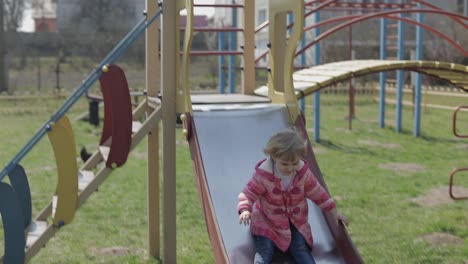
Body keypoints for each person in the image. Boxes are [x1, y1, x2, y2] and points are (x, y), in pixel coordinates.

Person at [237, 128, 348, 264]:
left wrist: (334, 212)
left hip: (296, 223)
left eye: (294, 163)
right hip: (268, 223)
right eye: (284, 164)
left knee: (300, 248)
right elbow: (248, 193)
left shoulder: (302, 174)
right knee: (265, 249)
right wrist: (245, 210)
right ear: (273, 156)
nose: (290, 168)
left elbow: (318, 193)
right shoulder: (264, 175)